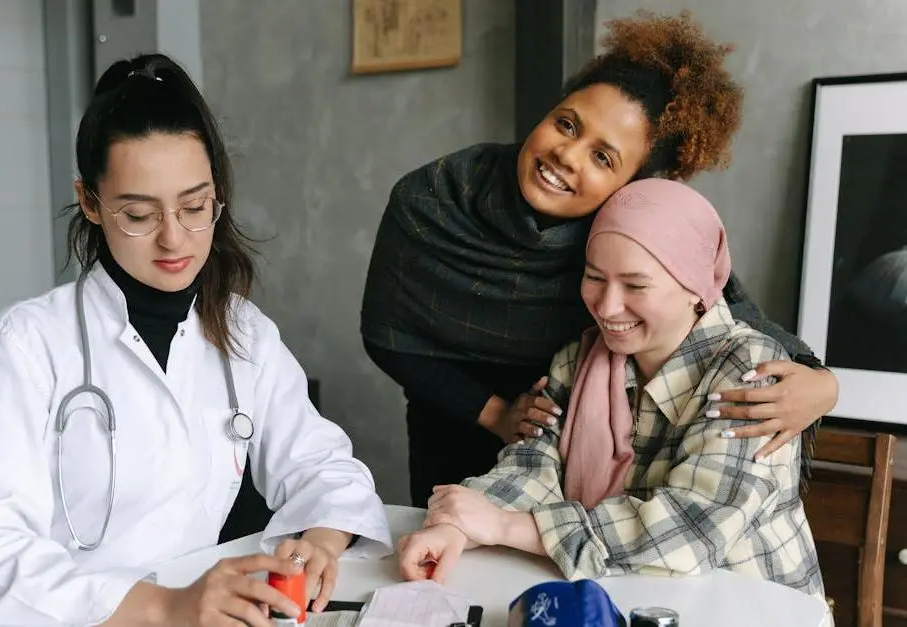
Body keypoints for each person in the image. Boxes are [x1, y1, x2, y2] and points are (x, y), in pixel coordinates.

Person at [0, 53, 392, 627]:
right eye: (138, 214)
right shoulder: (23, 345)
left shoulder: (243, 331)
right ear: (90, 202)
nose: (174, 238)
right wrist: (165, 607)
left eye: (195, 205)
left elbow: (322, 464)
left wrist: (322, 541)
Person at [359, 11, 838, 507]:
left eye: (603, 158)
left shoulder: (627, 227)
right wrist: (497, 414)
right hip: (456, 417)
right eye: (566, 124)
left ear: (631, 187)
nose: (568, 155)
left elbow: (722, 303)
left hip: (575, 432)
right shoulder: (433, 198)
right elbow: (389, 338)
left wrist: (821, 384)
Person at [396, 178, 826, 602]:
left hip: (747, 608)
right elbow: (531, 466)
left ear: (697, 286)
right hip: (622, 595)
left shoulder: (751, 371)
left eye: (636, 285)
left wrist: (506, 527)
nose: (607, 306)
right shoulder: (577, 359)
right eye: (595, 277)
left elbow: (691, 530)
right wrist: (455, 526)